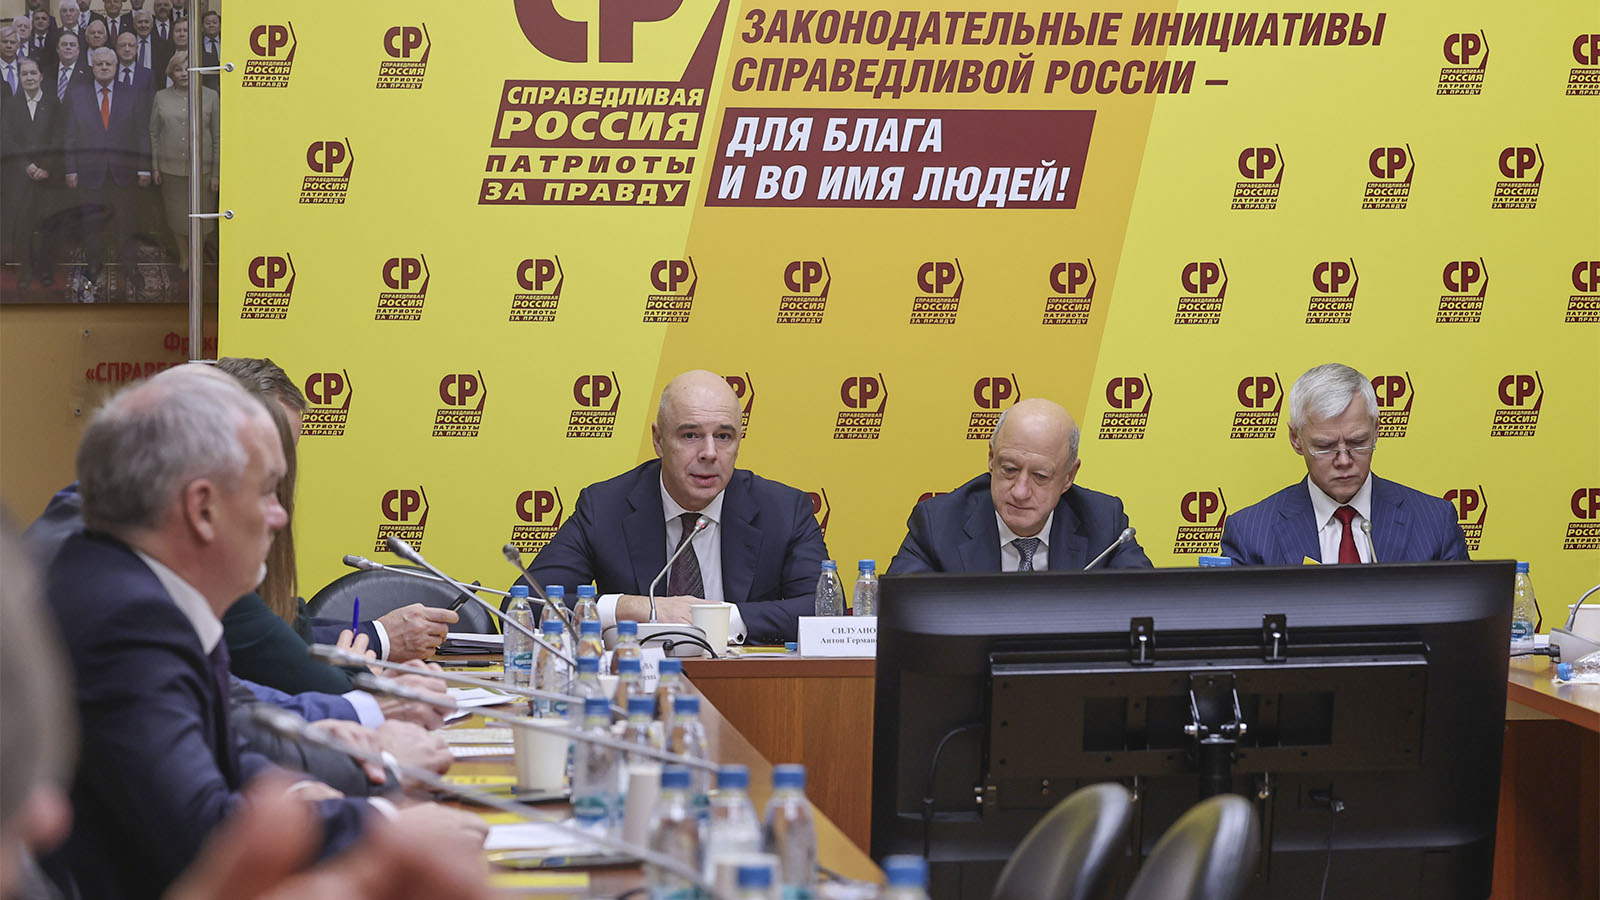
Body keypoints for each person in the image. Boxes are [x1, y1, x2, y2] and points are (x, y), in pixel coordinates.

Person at [40, 365, 483, 899]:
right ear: (202, 509)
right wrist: (384, 821)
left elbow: (227, 740)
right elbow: (205, 832)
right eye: (270, 491)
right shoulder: (127, 618)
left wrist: (309, 782)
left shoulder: (142, 590)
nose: (280, 517)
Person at [522, 369, 829, 644]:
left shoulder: (784, 510)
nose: (709, 453)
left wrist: (720, 620)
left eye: (723, 436)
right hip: (638, 681)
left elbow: (824, 611)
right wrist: (636, 607)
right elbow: (525, 606)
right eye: (691, 435)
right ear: (659, 440)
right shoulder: (604, 507)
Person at [1220, 363, 1469, 566]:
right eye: (1325, 446)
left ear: (1376, 431)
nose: (1344, 460)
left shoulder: (1435, 523)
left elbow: (1462, 613)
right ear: (1296, 439)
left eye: (1358, 442)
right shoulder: (1250, 534)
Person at [889, 398, 1152, 573]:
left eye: (1040, 476)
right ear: (991, 459)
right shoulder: (938, 524)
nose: (1020, 491)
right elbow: (900, 615)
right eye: (1009, 470)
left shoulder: (1103, 522)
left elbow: (1145, 604)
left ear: (1068, 476)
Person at [62, 46, 150, 300]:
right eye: (99, 63)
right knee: (92, 223)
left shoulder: (131, 92)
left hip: (124, 172)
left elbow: (141, 133)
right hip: (89, 172)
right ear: (92, 66)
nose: (103, 67)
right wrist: (70, 169)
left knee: (126, 221)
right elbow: (70, 135)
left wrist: (144, 167)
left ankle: (129, 265)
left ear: (116, 67)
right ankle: (94, 265)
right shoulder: (77, 94)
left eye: (108, 64)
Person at [149, 49, 213, 272]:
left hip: (203, 170)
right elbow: (154, 134)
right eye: (178, 69)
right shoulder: (161, 97)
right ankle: (185, 257)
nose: (184, 73)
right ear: (171, 73)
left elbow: (218, 136)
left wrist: (217, 174)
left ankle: (197, 257)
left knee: (203, 219)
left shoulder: (210, 96)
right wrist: (155, 167)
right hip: (170, 169)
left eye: (188, 68)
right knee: (177, 217)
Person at [1, 57, 61, 289]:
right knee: (23, 226)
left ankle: (45, 270)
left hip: (47, 177)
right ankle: (24, 271)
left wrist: (45, 166)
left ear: (41, 76)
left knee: (46, 224)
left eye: (33, 73)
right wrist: (28, 166)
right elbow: (6, 138)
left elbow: (58, 137)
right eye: (24, 74)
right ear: (19, 77)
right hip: (20, 176)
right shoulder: (10, 104)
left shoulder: (53, 102)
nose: (29, 77)